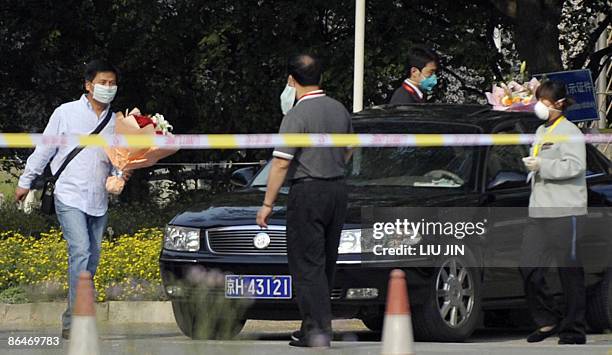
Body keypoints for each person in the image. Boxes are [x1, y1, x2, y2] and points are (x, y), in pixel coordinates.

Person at [14, 60, 126, 339]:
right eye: (102, 82)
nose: (107, 88)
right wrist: (26, 181)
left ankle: (72, 316)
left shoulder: (118, 121)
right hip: (69, 194)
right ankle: (76, 322)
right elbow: (45, 148)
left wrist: (120, 176)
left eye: (112, 83)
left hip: (99, 199)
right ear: (88, 85)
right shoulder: (66, 113)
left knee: (92, 260)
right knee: (81, 252)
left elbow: (122, 158)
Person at [256, 53, 353, 348]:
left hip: (308, 191)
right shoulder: (339, 110)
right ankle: (313, 324)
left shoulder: (296, 115)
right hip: (337, 190)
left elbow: (282, 163)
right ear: (320, 77)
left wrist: (267, 204)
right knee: (325, 263)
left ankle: (317, 330)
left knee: (306, 264)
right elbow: (349, 152)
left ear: (291, 80)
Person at [520, 80, 587, 345]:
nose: (540, 107)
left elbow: (575, 166)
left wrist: (543, 166)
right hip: (539, 209)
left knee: (569, 271)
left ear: (559, 104)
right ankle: (546, 320)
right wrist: (532, 166)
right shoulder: (540, 130)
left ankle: (574, 329)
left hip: (565, 209)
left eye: (545, 102)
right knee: (528, 265)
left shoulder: (570, 132)